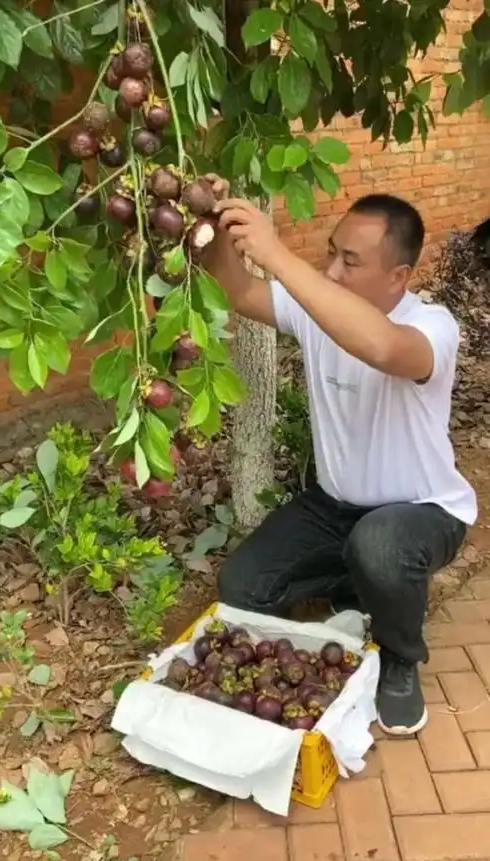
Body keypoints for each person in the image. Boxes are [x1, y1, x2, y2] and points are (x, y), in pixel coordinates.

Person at [203, 176, 477, 737]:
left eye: (350, 261)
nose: (331, 270)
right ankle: (357, 587)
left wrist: (276, 253)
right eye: (331, 252)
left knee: (379, 545)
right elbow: (239, 292)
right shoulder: (317, 310)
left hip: (422, 511)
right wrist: (214, 227)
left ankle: (399, 659)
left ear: (399, 276)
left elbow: (379, 347)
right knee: (243, 588)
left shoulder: (432, 328)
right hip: (333, 506)